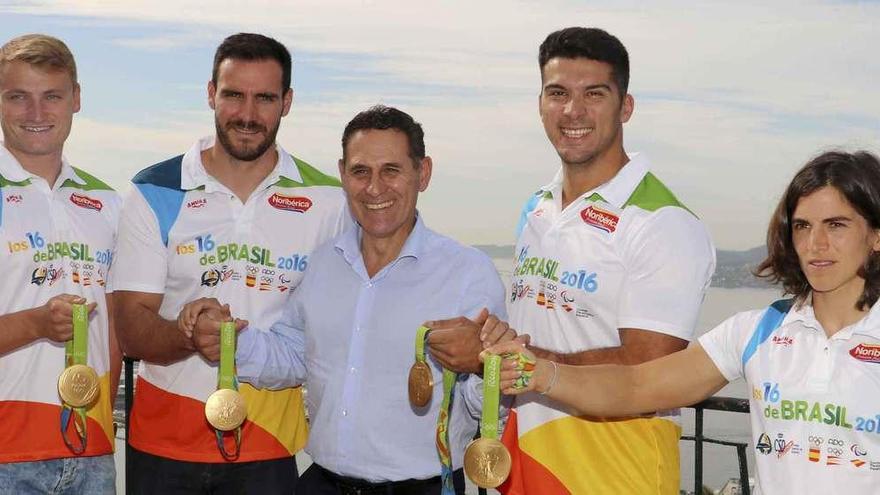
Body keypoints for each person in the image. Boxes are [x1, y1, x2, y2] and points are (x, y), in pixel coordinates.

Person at [488, 150, 880, 494]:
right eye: (803, 226)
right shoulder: (756, 331)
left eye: (837, 225)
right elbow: (638, 385)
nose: (816, 244)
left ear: (875, 235)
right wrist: (540, 374)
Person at [189, 105, 509, 494]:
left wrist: (479, 365)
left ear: (422, 173)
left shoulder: (468, 272)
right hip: (322, 482)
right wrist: (229, 342)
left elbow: (491, 406)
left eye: (391, 170)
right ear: (343, 174)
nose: (375, 188)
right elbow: (293, 356)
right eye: (361, 171)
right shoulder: (323, 264)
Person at [111, 33, 347, 492]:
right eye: (234, 95)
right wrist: (189, 334)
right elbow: (130, 330)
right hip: (163, 446)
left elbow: (335, 332)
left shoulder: (327, 201)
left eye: (265, 98)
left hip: (273, 448)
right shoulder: (154, 189)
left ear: (287, 102)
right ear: (210, 94)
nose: (248, 114)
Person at [495, 26, 716, 494]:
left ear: (626, 107)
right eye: (557, 93)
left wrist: (527, 361)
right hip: (529, 465)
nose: (573, 111)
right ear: (540, 104)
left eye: (593, 93)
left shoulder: (663, 222)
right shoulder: (536, 206)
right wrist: (486, 342)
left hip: (615, 474)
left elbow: (648, 370)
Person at [0, 34, 121, 493]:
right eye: (18, 97)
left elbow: (113, 330)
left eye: (51, 96)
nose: (36, 113)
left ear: (76, 99)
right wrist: (35, 322)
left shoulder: (107, 201)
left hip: (90, 454)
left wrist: (102, 426)